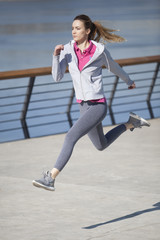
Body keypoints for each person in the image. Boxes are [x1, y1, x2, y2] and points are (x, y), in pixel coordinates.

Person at [32, 14, 150, 191]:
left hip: (97, 106)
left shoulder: (99, 51)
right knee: (100, 145)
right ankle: (130, 123)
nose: (74, 31)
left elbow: (115, 67)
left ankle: (50, 178)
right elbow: (57, 77)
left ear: (87, 31)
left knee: (70, 136)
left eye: (77, 28)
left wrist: (128, 81)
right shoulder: (67, 50)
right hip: (83, 106)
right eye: (72, 28)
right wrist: (56, 56)